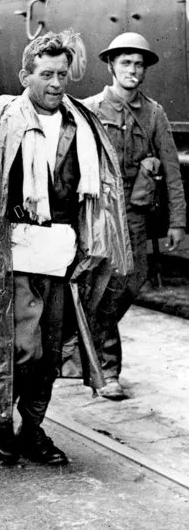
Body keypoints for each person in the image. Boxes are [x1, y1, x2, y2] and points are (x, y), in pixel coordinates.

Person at [0, 31, 131, 465]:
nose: (57, 84)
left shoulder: (82, 124)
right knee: (22, 347)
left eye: (62, 74)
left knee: (52, 353)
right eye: (46, 75)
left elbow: (95, 198)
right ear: (26, 76)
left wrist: (92, 250)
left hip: (63, 253)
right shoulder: (1, 124)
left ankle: (32, 430)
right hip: (15, 254)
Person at [84, 33, 186, 399]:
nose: (133, 70)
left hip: (136, 213)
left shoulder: (154, 113)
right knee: (107, 287)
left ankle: (91, 352)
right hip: (101, 213)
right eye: (125, 63)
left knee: (131, 284)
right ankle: (105, 371)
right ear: (111, 66)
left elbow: (172, 172)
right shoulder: (91, 109)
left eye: (139, 64)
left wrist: (178, 222)